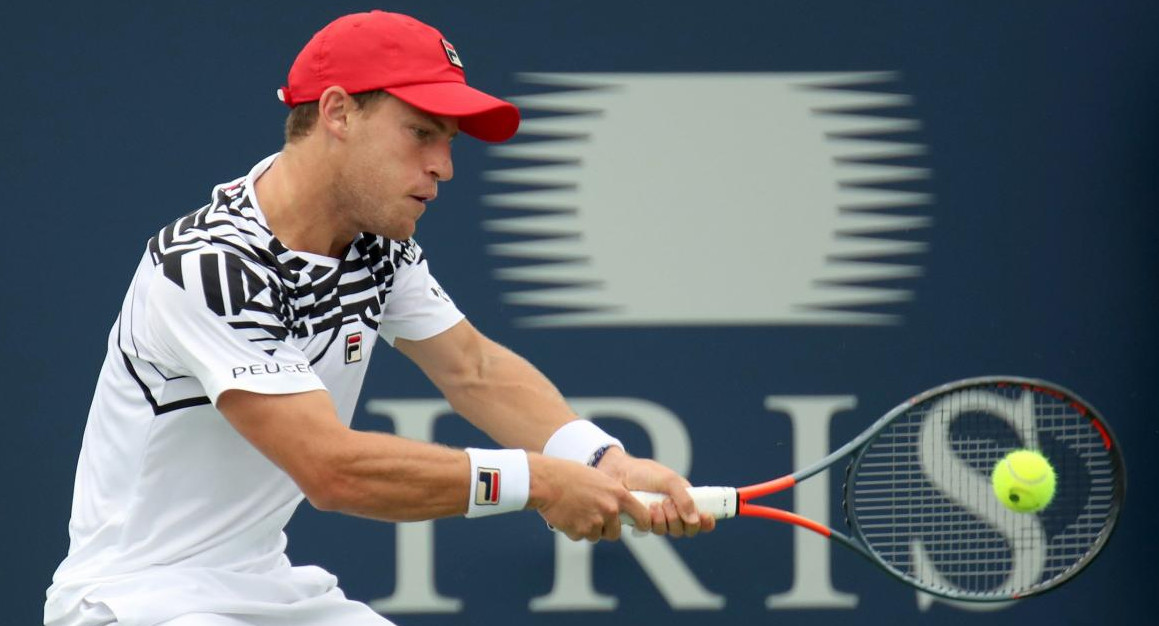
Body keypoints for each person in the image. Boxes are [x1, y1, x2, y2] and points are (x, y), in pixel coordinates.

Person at [44, 10, 712, 626]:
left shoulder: (379, 251)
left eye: (447, 142)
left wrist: (600, 458)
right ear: (337, 113)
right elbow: (331, 469)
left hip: (264, 588)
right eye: (421, 133)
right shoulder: (206, 268)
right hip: (135, 600)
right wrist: (537, 480)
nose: (443, 167)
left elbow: (472, 369)